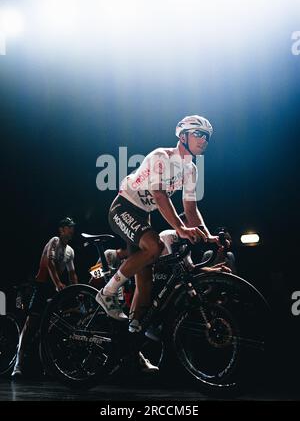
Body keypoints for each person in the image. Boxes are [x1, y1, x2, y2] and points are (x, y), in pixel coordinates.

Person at [96, 115, 221, 332]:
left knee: (145, 283)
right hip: (123, 207)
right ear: (183, 136)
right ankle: (106, 293)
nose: (204, 140)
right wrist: (181, 229)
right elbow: (160, 195)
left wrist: (207, 235)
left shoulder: (192, 170)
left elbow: (190, 209)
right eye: (198, 134)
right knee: (155, 246)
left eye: (207, 137)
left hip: (143, 215)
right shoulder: (161, 156)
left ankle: (132, 339)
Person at [12, 217, 78, 378]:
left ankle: (47, 366)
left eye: (72, 228)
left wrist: (77, 291)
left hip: (55, 289)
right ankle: (17, 364)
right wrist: (57, 283)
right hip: (42, 287)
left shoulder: (70, 251)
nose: (71, 230)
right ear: (61, 229)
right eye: (69, 227)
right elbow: (49, 262)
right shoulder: (54, 241)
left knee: (48, 329)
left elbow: (72, 274)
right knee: (30, 326)